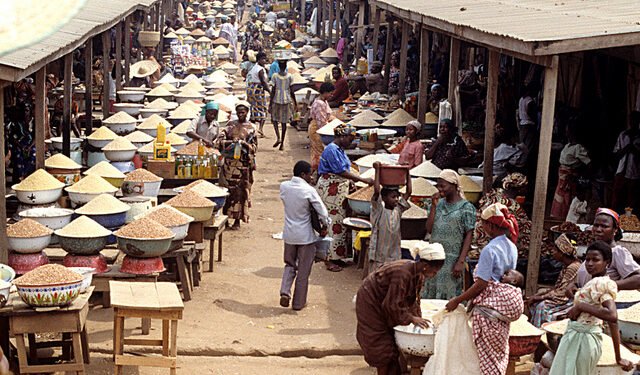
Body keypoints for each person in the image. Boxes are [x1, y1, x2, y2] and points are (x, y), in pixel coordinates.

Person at [445, 203, 523, 375]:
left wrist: (457, 300)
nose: (483, 227)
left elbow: (482, 284)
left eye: (484, 224)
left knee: (487, 360)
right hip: (502, 310)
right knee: (497, 357)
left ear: (491, 225)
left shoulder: (490, 249)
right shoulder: (512, 247)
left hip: (489, 311)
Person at [356, 245, 446, 375]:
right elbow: (392, 305)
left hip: (383, 300)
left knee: (391, 347)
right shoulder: (402, 274)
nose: (435, 274)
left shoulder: (417, 274)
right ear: (426, 266)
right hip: (370, 300)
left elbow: (412, 300)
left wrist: (418, 318)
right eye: (435, 271)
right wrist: (411, 318)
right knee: (381, 346)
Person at [550, 241, 633, 375]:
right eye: (587, 259)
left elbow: (612, 316)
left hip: (584, 340)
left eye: (595, 260)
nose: (590, 263)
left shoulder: (602, 284)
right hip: (578, 337)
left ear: (607, 262)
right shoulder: (593, 283)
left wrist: (581, 306)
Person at [317, 124, 374, 272]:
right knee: (332, 223)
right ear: (342, 136)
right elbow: (341, 171)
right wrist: (362, 180)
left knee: (340, 224)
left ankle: (338, 256)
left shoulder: (339, 150)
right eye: (350, 137)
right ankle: (328, 259)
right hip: (331, 189)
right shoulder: (331, 150)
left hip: (338, 189)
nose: (351, 141)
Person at [279, 161, 329, 311]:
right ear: (303, 175)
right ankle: (298, 302)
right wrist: (325, 225)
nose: (311, 177)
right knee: (303, 270)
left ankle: (285, 291)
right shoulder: (308, 190)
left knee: (289, 264)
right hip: (305, 236)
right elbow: (323, 212)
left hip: (289, 234)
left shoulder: (284, 187)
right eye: (309, 174)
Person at [422, 169, 476, 299]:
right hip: (434, 258)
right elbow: (429, 229)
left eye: (443, 186)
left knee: (449, 296)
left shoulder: (466, 208)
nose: (440, 189)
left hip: (452, 259)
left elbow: (469, 235)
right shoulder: (437, 204)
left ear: (454, 186)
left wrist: (460, 261)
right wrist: (434, 207)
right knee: (431, 293)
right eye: (438, 186)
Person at [569, 208, 640, 291]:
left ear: (615, 230)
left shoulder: (617, 252)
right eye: (596, 225)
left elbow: (638, 279)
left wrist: (606, 285)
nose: (598, 230)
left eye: (604, 226)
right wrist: (573, 285)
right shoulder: (593, 251)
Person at [216, 101, 258, 230]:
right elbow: (219, 141)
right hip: (229, 166)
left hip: (243, 167)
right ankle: (226, 220)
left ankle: (237, 221)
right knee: (227, 192)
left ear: (247, 112)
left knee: (240, 194)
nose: (241, 114)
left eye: (243, 112)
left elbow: (255, 148)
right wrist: (230, 142)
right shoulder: (230, 126)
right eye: (239, 112)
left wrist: (244, 144)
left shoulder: (251, 128)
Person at [527, 233, 582, 327]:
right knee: (537, 297)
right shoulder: (567, 266)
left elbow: (563, 292)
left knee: (542, 306)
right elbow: (558, 287)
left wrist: (541, 297)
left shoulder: (573, 267)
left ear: (562, 252)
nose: (552, 251)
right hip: (563, 297)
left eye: (555, 249)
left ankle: (543, 333)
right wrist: (540, 295)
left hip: (569, 300)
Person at [473, 173, 532, 257]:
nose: (525, 191)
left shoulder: (490, 196)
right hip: (496, 246)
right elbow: (525, 227)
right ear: (519, 188)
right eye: (524, 188)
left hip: (480, 242)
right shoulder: (511, 204)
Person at [368, 162, 411, 273]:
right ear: (384, 198)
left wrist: (407, 171)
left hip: (394, 254)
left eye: (397, 196)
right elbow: (377, 190)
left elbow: (409, 192)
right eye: (393, 197)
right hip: (380, 255)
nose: (396, 199)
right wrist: (377, 170)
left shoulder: (398, 210)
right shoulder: (379, 210)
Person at [550, 123, 591, 219]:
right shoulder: (568, 145)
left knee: (567, 196)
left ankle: (566, 217)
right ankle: (559, 216)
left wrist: (577, 174)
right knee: (561, 194)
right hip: (562, 174)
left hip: (569, 175)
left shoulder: (578, 148)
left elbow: (588, 163)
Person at [611, 111, 640, 214]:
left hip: (634, 172)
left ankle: (628, 221)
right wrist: (626, 149)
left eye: (635, 120)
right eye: (631, 120)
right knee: (617, 196)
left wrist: (634, 149)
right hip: (621, 171)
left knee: (631, 200)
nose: (632, 122)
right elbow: (616, 153)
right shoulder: (623, 135)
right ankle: (614, 217)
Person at [269, 59, 297, 150]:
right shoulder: (290, 76)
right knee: (284, 122)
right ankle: (282, 144)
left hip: (276, 99)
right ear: (285, 67)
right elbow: (292, 90)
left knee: (274, 119)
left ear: (279, 67)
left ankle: (278, 137)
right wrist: (295, 102)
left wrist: (270, 103)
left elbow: (273, 90)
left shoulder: (274, 76)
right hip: (286, 100)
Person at [308, 82, 335, 171]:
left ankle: (317, 171)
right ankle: (318, 172)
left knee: (317, 151)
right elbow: (322, 122)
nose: (332, 95)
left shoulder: (324, 101)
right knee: (319, 152)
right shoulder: (320, 104)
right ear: (325, 92)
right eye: (330, 93)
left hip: (318, 127)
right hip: (317, 129)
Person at [246, 52, 269, 137]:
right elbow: (263, 82)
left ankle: (253, 130)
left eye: (265, 59)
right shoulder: (260, 70)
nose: (264, 61)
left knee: (253, 109)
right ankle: (261, 128)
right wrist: (270, 91)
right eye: (262, 59)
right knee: (263, 108)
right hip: (258, 90)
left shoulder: (254, 67)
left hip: (251, 88)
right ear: (259, 60)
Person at [518, 85, 538, 155]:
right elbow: (531, 113)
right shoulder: (529, 100)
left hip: (522, 123)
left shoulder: (521, 99)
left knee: (522, 145)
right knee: (529, 145)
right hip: (529, 124)